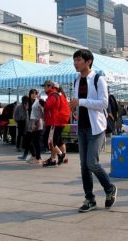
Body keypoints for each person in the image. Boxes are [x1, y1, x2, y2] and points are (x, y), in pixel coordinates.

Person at [69, 49, 117, 212]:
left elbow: (103, 103)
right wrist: (75, 110)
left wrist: (80, 102)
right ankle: (90, 199)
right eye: (74, 60)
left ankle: (109, 188)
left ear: (88, 61)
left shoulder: (98, 79)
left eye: (78, 60)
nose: (75, 63)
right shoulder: (76, 80)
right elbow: (78, 104)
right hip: (81, 127)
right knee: (84, 166)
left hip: (96, 128)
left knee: (92, 162)